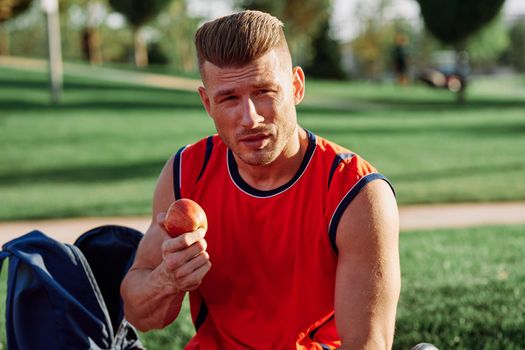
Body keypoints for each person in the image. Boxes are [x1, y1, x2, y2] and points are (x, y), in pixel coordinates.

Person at [120, 10, 400, 350]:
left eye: (264, 92)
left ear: (296, 86)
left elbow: (367, 344)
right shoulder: (186, 173)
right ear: (207, 102)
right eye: (229, 98)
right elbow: (139, 315)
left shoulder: (355, 193)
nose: (249, 117)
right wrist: (168, 279)